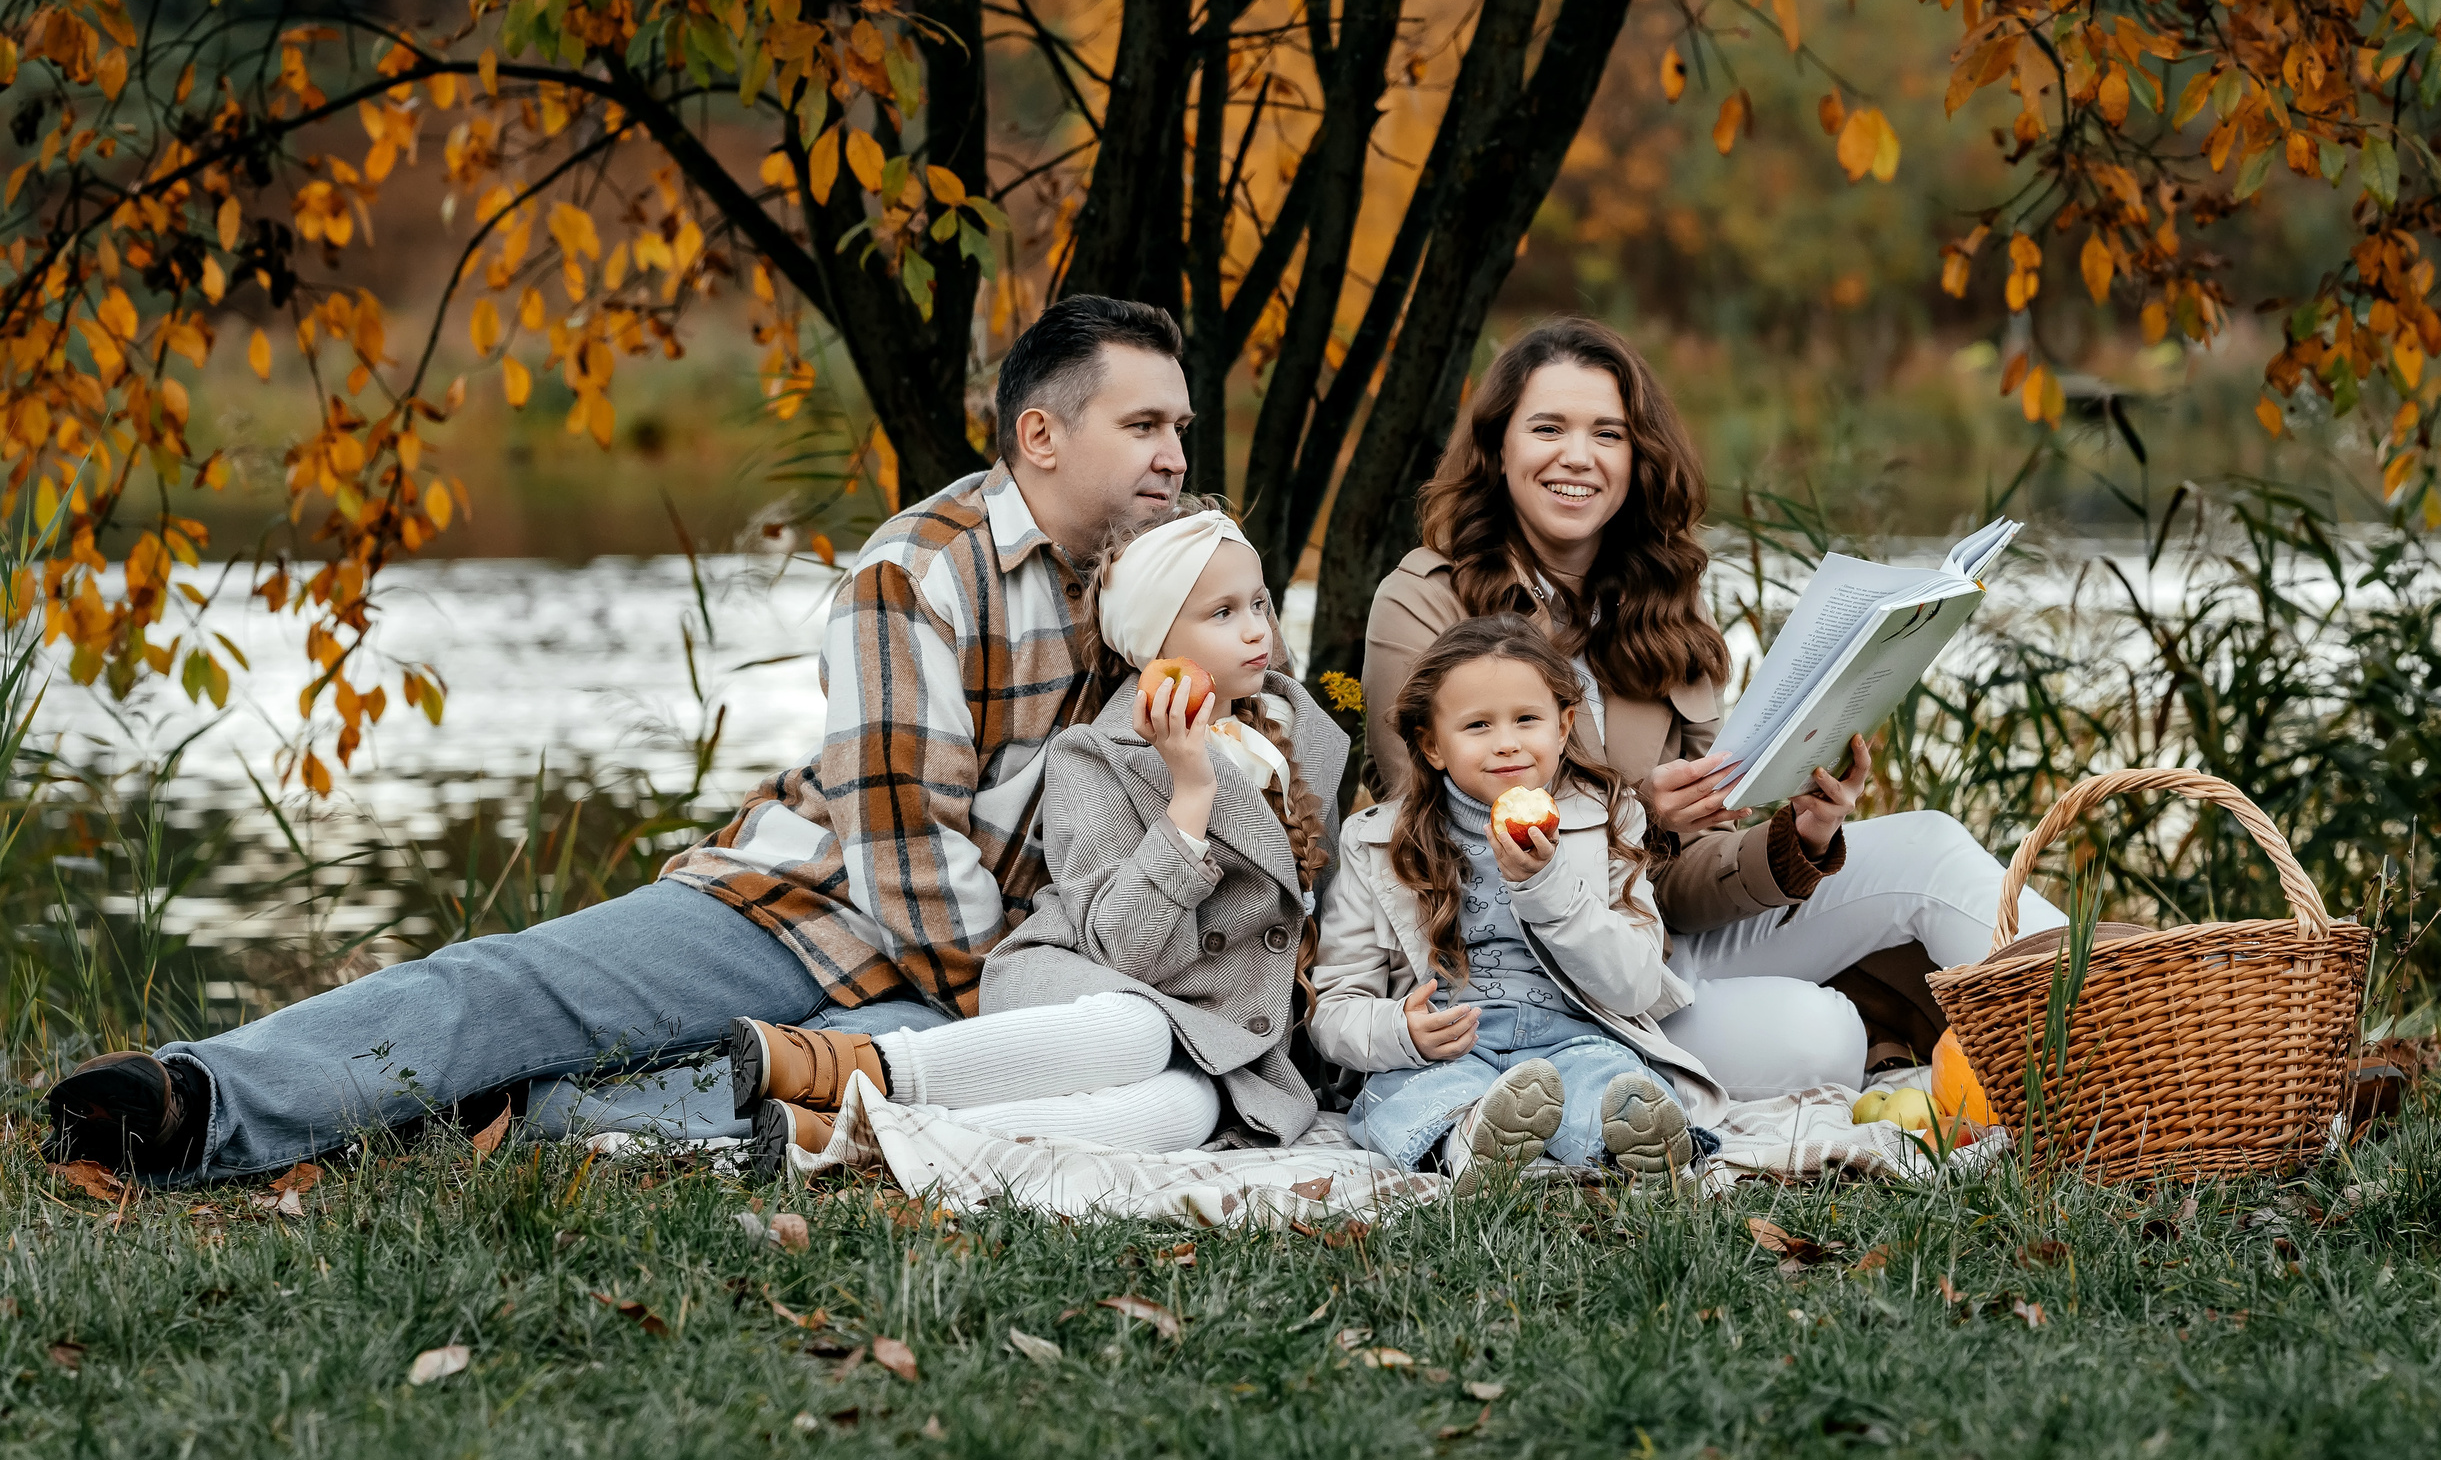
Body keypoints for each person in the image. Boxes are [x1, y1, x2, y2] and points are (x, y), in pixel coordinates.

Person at [44, 296, 1197, 1182]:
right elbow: (905, 861)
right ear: (1039, 435)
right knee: (514, 988)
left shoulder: (1184, 576)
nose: (1174, 457)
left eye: (1180, 429)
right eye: (1142, 425)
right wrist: (1027, 1018)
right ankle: (194, 1103)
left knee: (877, 1086)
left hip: (965, 979)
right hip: (809, 901)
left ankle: (511, 1121)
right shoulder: (920, 571)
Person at [1361, 318, 2066, 1101]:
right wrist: (1636, 814)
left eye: (1609, 433)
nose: (1578, 457)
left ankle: (2110, 1042)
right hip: (1534, 974)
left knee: (1929, 846)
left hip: (1661, 934)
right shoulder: (1423, 600)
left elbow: (1691, 881)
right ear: (1498, 450)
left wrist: (1795, 839)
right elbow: (1422, 831)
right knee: (1825, 1034)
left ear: (1637, 458)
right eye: (1548, 428)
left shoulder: (1660, 600)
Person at [728, 501, 1347, 1177]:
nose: (1258, 630)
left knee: (1187, 1113)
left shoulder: (1299, 732)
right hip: (1083, 980)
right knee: (1141, 1031)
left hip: (1213, 1037)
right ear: (1154, 643)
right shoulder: (1098, 755)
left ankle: (864, 1143)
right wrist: (1192, 795)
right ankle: (851, 1066)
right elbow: (1120, 948)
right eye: (1222, 614)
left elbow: (1318, 913)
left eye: (1259, 604)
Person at [1312, 616, 1714, 1188]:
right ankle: (1473, 1139)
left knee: (1611, 1081)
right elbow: (1335, 1005)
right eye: (1477, 725)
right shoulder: (1377, 842)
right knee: (1409, 1096)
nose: (1507, 742)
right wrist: (1400, 1030)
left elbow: (1636, 985)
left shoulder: (1607, 820)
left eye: (1527, 719)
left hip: (1575, 1035)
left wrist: (1546, 884)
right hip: (1446, 1050)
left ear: (1564, 723)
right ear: (1432, 745)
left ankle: (1631, 1140)